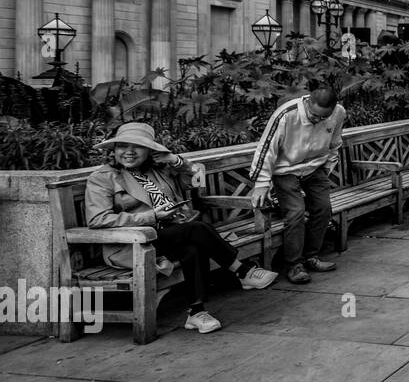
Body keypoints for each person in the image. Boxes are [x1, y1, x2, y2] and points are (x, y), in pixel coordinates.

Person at [86, 122, 277, 334]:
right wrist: (151, 216)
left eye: (137, 147)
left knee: (193, 246)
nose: (129, 152)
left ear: (149, 150)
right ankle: (241, 270)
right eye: (122, 146)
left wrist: (175, 160)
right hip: (135, 241)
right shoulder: (103, 178)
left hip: (171, 234)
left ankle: (196, 313)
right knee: (196, 230)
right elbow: (98, 219)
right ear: (114, 150)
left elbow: (195, 179)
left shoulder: (157, 169)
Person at [249, 86, 345, 284]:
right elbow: (267, 148)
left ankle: (312, 256)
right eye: (314, 115)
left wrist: (327, 168)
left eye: (322, 118)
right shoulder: (286, 114)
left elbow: (335, 142)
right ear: (308, 102)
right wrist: (261, 182)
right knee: (295, 212)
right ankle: (294, 265)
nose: (317, 120)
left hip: (314, 167)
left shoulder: (338, 113)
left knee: (323, 208)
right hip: (285, 170)